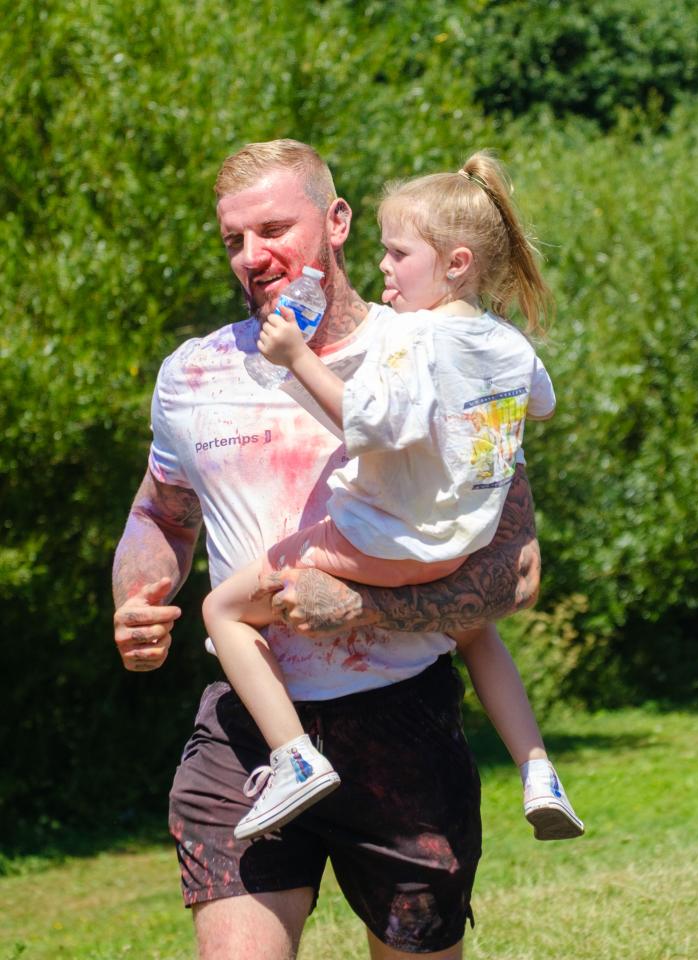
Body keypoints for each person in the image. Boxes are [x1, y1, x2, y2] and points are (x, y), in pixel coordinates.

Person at [110, 139, 543, 960]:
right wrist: (138, 593)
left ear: (338, 221)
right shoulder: (192, 374)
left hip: (401, 720)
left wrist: (363, 607)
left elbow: (515, 570)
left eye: (274, 228)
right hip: (248, 726)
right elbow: (160, 516)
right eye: (234, 239)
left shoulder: (435, 352)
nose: (252, 255)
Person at [201, 151, 582, 844]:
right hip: (456, 550)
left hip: (377, 543)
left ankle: (293, 758)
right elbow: (543, 404)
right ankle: (538, 770)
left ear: (456, 263)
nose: (384, 266)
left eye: (399, 253)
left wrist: (295, 357)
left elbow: (365, 423)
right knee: (478, 633)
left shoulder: (411, 336)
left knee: (222, 608)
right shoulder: (507, 343)